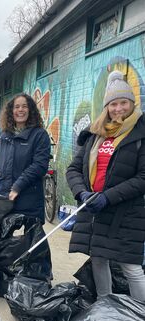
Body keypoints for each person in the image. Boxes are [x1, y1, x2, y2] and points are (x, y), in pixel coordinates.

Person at [66, 70, 145, 301]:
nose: (118, 109)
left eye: (123, 103)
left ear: (132, 104)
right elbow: (73, 169)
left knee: (130, 267)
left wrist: (107, 197)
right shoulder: (96, 134)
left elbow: (143, 178)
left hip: (125, 212)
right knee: (99, 259)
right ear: (106, 107)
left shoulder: (141, 133)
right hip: (94, 210)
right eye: (113, 104)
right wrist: (82, 193)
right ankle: (105, 308)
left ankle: (140, 317)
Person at [0, 93, 51, 222]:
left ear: (31, 110)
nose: (20, 110)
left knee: (34, 238)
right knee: (0, 237)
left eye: (24, 106)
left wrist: (17, 186)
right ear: (11, 111)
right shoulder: (3, 136)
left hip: (29, 196)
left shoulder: (39, 135)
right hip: (3, 195)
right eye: (16, 107)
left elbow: (39, 166)